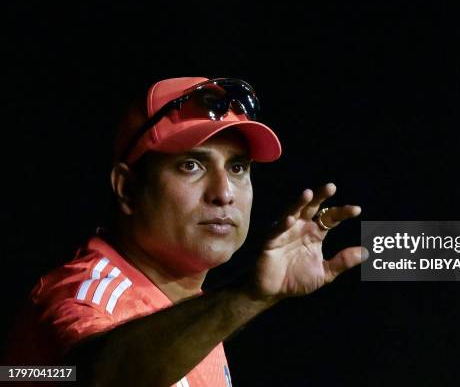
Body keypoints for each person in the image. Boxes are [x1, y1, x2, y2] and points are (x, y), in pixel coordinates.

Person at [5, 76, 367, 386]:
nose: (224, 192)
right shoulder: (86, 292)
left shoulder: (190, 304)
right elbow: (94, 377)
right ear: (127, 189)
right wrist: (250, 296)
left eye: (238, 168)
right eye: (191, 165)